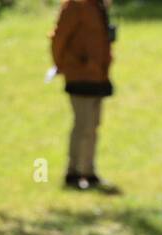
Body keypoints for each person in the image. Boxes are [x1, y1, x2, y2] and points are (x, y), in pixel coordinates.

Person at [50, 0, 116, 192]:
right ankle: (73, 172)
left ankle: (89, 171)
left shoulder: (99, 7)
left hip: (98, 76)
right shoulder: (75, 6)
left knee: (94, 125)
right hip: (79, 75)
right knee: (83, 124)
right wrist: (66, 65)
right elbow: (59, 39)